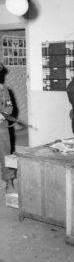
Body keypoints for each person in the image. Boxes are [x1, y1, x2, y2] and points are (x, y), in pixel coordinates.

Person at [0, 63, 16, 193]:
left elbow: (9, 107)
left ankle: (9, 184)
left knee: (6, 155)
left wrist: (3, 115)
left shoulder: (4, 89)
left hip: (1, 127)